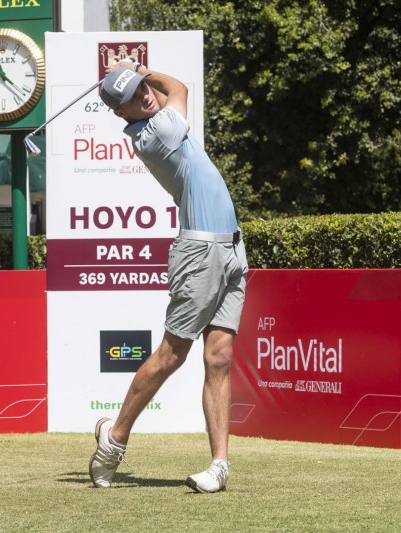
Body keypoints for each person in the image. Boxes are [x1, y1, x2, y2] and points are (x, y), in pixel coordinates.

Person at [89, 62, 248, 494]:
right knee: (172, 355)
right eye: (132, 97)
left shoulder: (158, 120)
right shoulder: (156, 133)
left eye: (143, 89)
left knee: (219, 357)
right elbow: (176, 87)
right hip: (200, 253)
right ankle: (114, 440)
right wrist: (141, 69)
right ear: (121, 113)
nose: (144, 96)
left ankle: (219, 465)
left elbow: (163, 93)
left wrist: (134, 77)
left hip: (232, 249)